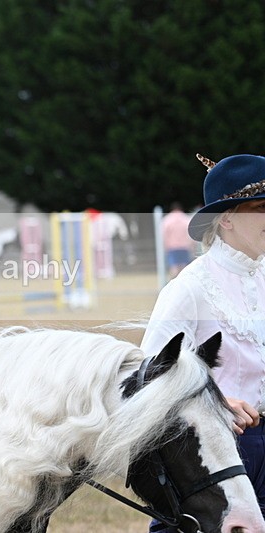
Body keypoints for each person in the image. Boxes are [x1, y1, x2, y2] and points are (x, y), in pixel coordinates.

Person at [141, 153, 265, 524]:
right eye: (261, 208)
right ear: (227, 219)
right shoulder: (189, 288)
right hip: (217, 450)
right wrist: (218, 401)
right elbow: (149, 375)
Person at [160, 201, 194, 279]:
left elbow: (164, 235)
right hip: (185, 247)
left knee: (174, 268)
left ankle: (173, 283)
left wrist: (165, 247)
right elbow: (190, 234)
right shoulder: (186, 219)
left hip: (172, 248)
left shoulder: (167, 220)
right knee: (184, 269)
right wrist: (192, 247)